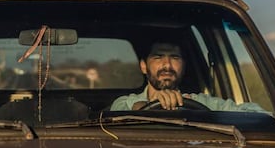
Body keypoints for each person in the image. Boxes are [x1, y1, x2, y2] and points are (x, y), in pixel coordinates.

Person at [110, 41, 267, 112]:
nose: (167, 65)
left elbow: (258, 114)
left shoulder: (202, 103)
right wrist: (142, 107)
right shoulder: (127, 103)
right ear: (144, 66)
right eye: (158, 57)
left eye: (175, 57)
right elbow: (117, 110)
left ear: (184, 66)